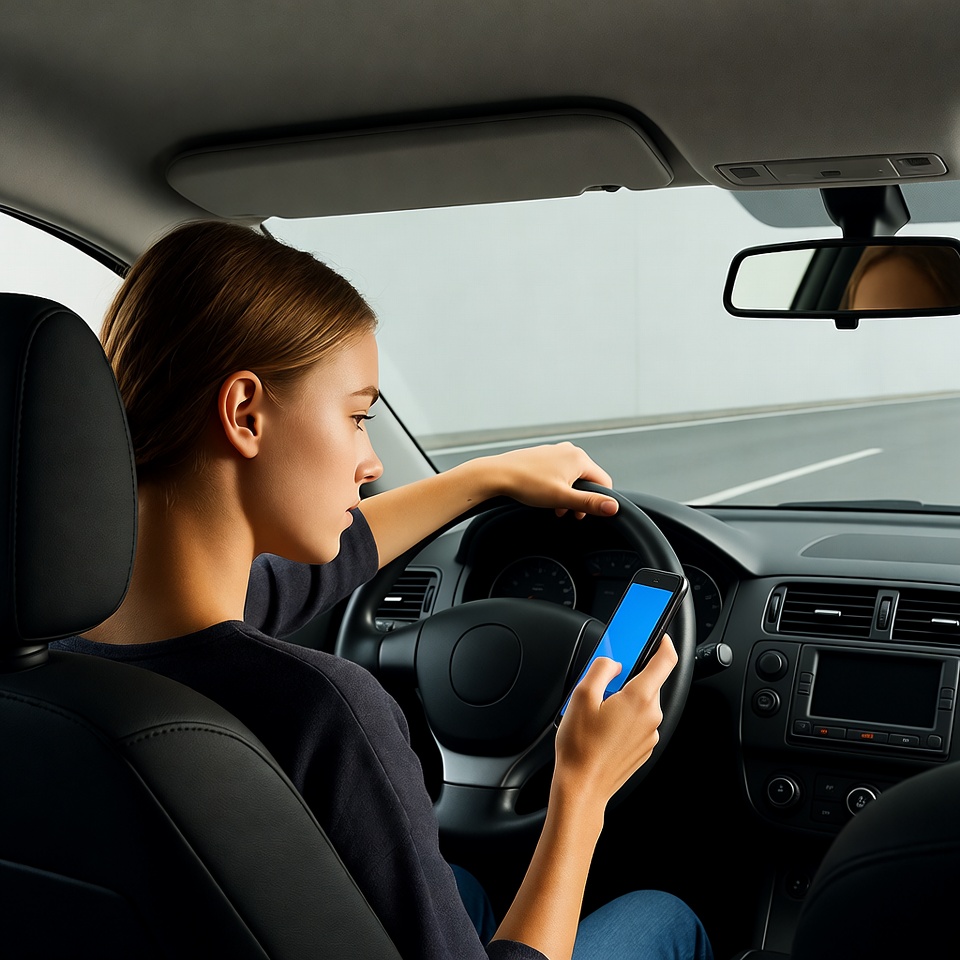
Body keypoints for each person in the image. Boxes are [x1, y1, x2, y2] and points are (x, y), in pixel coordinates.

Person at [52, 221, 713, 960]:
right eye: (358, 417)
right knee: (663, 916)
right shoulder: (322, 712)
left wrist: (482, 478)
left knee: (457, 885)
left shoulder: (49, 654)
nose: (370, 462)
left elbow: (311, 573)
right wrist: (581, 788)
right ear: (245, 413)